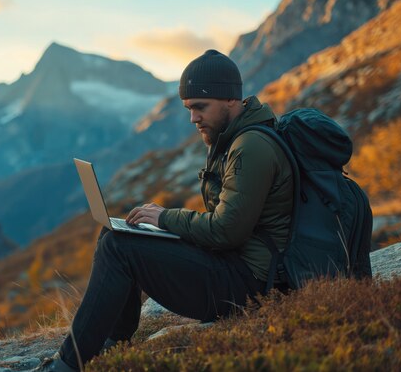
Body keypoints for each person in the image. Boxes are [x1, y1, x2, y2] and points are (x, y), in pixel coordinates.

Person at [35, 49, 293, 372]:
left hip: (250, 287)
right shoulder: (234, 138)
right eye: (188, 109)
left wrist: (165, 218)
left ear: (230, 99)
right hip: (236, 269)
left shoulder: (250, 146)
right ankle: (115, 340)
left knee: (118, 248)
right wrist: (161, 226)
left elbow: (228, 230)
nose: (193, 118)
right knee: (114, 234)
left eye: (200, 107)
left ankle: (68, 364)